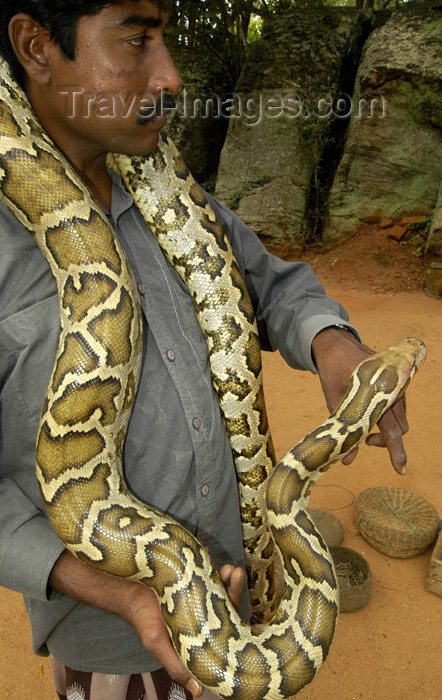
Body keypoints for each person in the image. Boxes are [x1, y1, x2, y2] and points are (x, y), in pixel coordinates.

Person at [0, 2, 409, 699]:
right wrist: (118, 588)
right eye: (136, 42)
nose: (171, 75)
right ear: (35, 47)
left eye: (165, 41)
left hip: (235, 588)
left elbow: (270, 282)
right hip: (109, 649)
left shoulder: (162, 179)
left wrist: (330, 337)